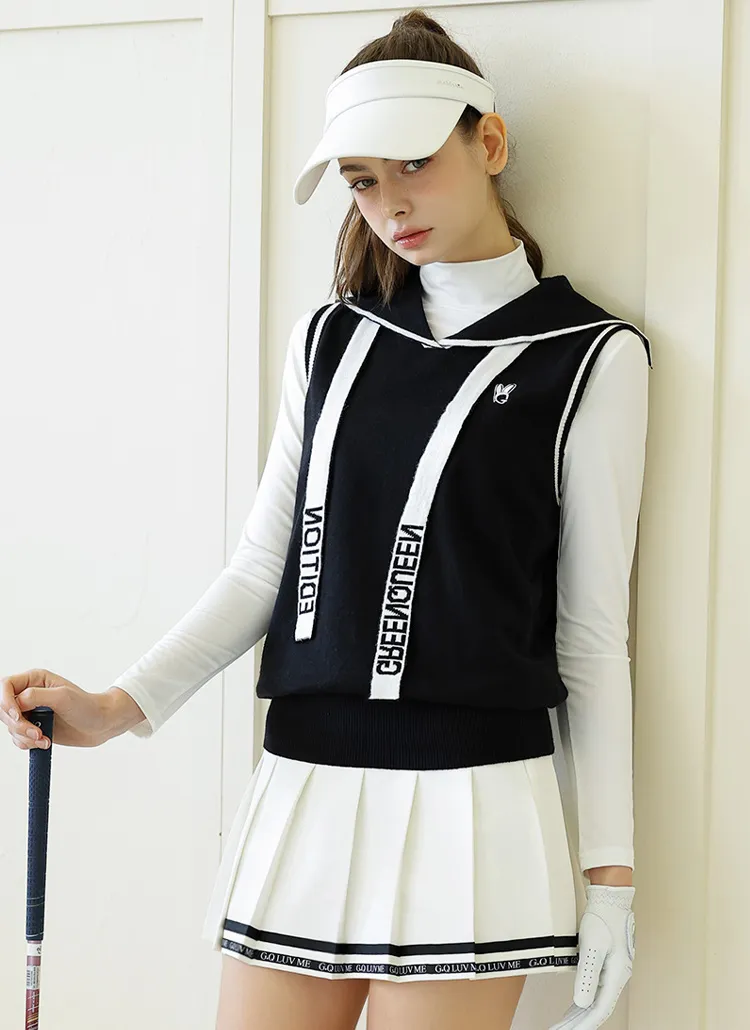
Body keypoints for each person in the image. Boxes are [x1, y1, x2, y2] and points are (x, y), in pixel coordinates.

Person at [1, 9, 652, 1030]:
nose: (391, 204)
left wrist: (609, 878)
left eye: (413, 165)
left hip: (476, 805)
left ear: (488, 143)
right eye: (361, 180)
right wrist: (117, 706)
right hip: (303, 785)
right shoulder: (332, 341)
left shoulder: (591, 357)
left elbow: (592, 635)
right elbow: (264, 565)